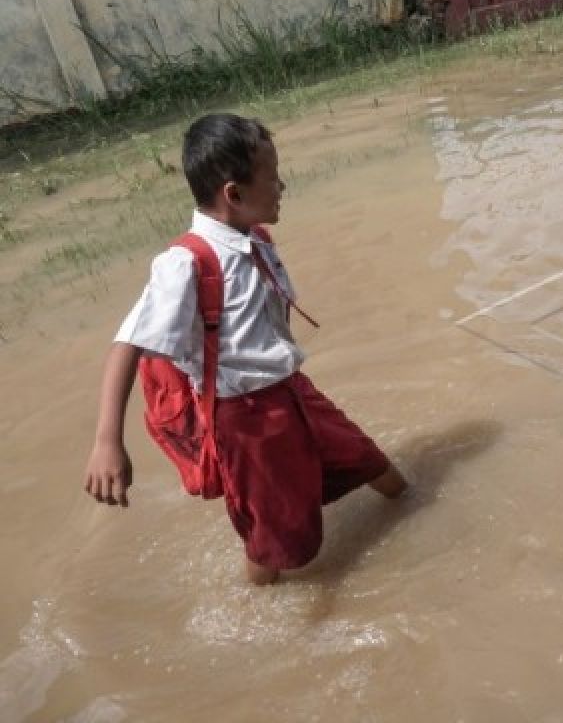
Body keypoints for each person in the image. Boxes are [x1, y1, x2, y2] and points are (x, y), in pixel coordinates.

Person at [82, 113, 408, 584]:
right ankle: (263, 612)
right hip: (248, 420)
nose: (282, 186)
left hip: (293, 392)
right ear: (233, 194)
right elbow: (127, 345)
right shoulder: (184, 265)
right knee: (275, 537)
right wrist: (107, 443)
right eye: (272, 178)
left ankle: (421, 510)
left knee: (368, 460)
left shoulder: (252, 236)